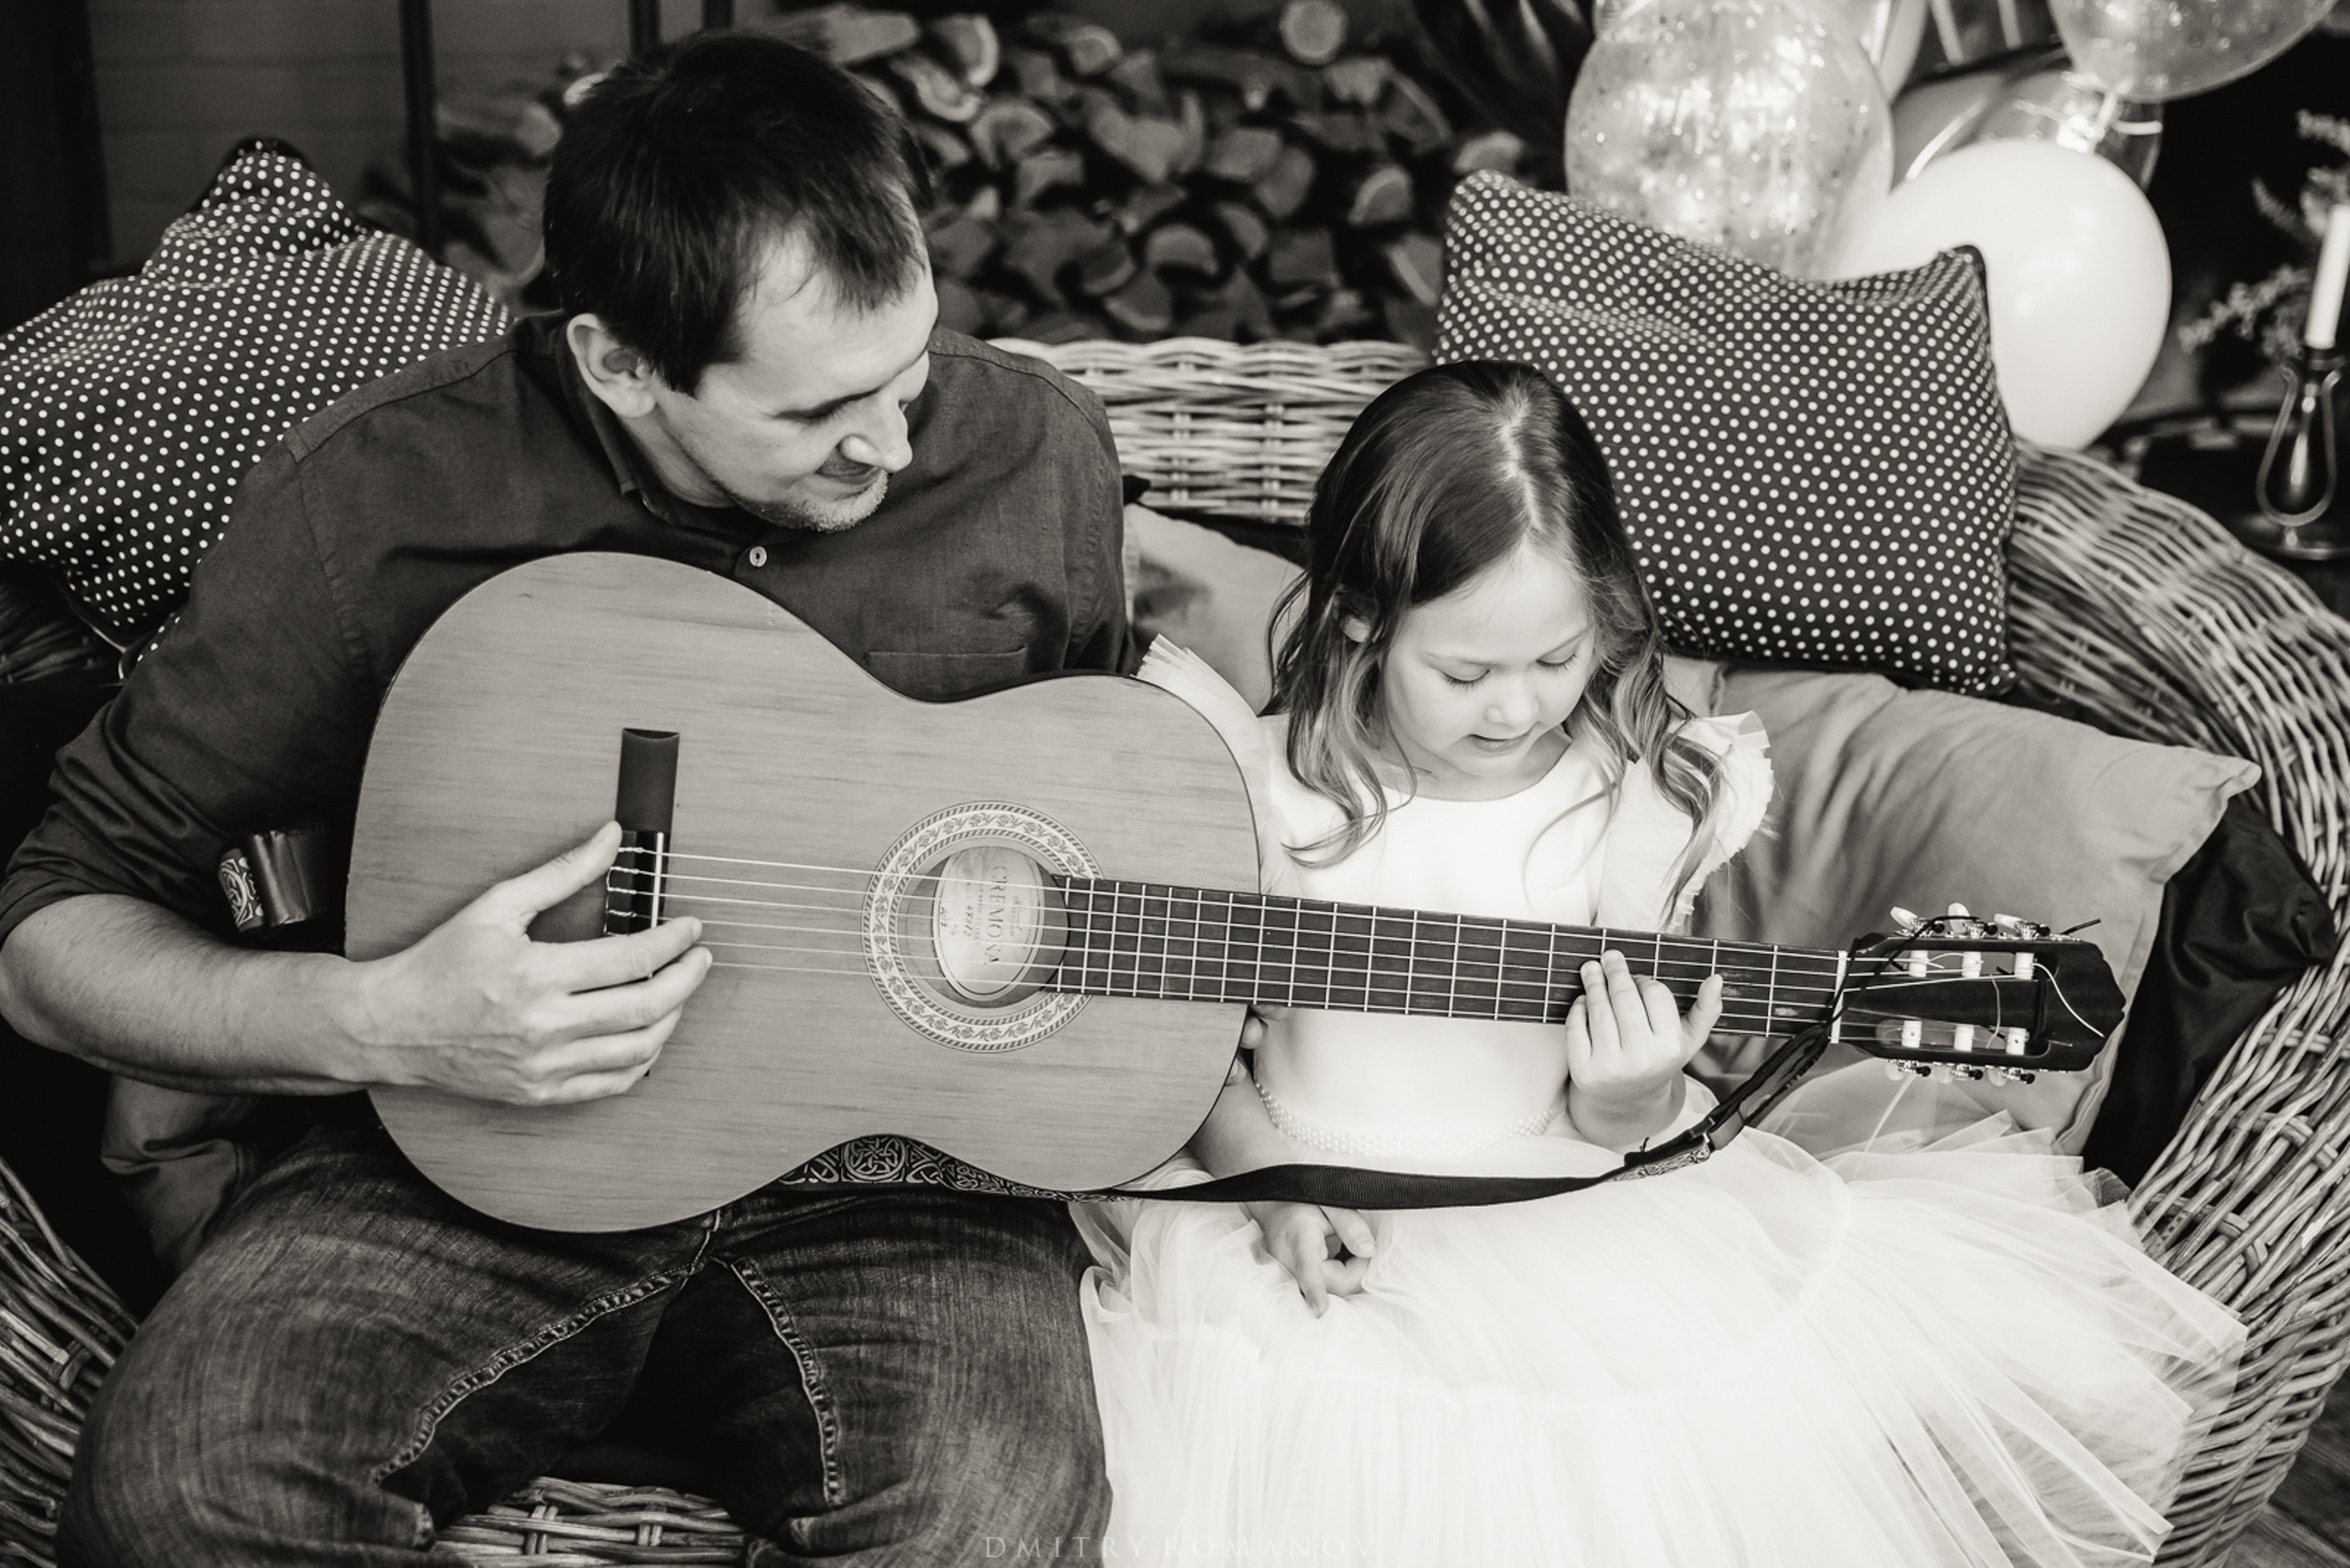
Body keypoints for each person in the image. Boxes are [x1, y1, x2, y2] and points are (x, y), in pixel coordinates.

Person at [0, 34, 1125, 1568]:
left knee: (991, 1531)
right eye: (815, 416)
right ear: (619, 363)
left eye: (911, 362)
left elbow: (1100, 816)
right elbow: (50, 935)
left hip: (889, 1188)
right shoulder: (382, 501)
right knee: (183, 1498)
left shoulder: (1034, 455)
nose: (897, 442)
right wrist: (389, 1020)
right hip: (458, 1158)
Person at [1078, 360, 2244, 1566]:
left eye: (1556, 657)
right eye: (1465, 672)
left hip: (1546, 1223)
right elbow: (1187, 1051)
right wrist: (1273, 1181)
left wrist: (1623, 1091)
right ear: (1365, 619)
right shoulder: (1255, 790)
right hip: (1275, 1199)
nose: (1517, 707)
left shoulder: (1628, 807)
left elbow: (1609, 1124)